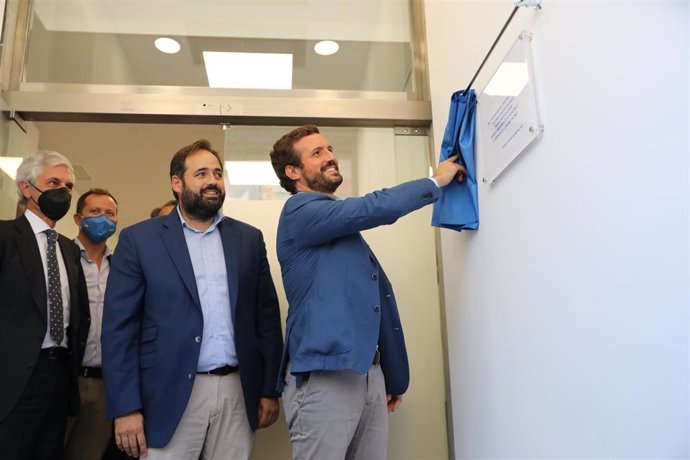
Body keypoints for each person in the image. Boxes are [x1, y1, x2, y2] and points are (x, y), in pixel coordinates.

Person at [269, 125, 466, 460]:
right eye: (317, 153)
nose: (330, 156)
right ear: (293, 172)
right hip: (324, 378)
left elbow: (374, 302)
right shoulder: (299, 212)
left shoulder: (338, 229)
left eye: (330, 149)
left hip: (368, 376)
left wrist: (388, 376)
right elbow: (374, 207)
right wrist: (435, 181)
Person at [102, 139, 283, 459]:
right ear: (177, 183)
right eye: (201, 173)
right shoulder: (139, 240)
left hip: (237, 391)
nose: (212, 181)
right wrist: (126, 407)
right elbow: (119, 331)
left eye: (217, 173)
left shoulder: (248, 239)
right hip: (167, 391)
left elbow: (265, 318)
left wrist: (269, 388)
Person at [0, 151, 88, 459]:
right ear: (27, 188)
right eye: (53, 182)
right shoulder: (5, 237)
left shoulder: (69, 250)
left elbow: (79, 317)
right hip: (13, 381)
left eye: (68, 185)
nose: (62, 191)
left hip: (58, 377)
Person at [63, 188, 119, 460]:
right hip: (64, 378)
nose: (103, 219)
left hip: (104, 384)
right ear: (78, 218)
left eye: (109, 213)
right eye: (94, 212)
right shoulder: (61, 259)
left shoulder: (121, 266)